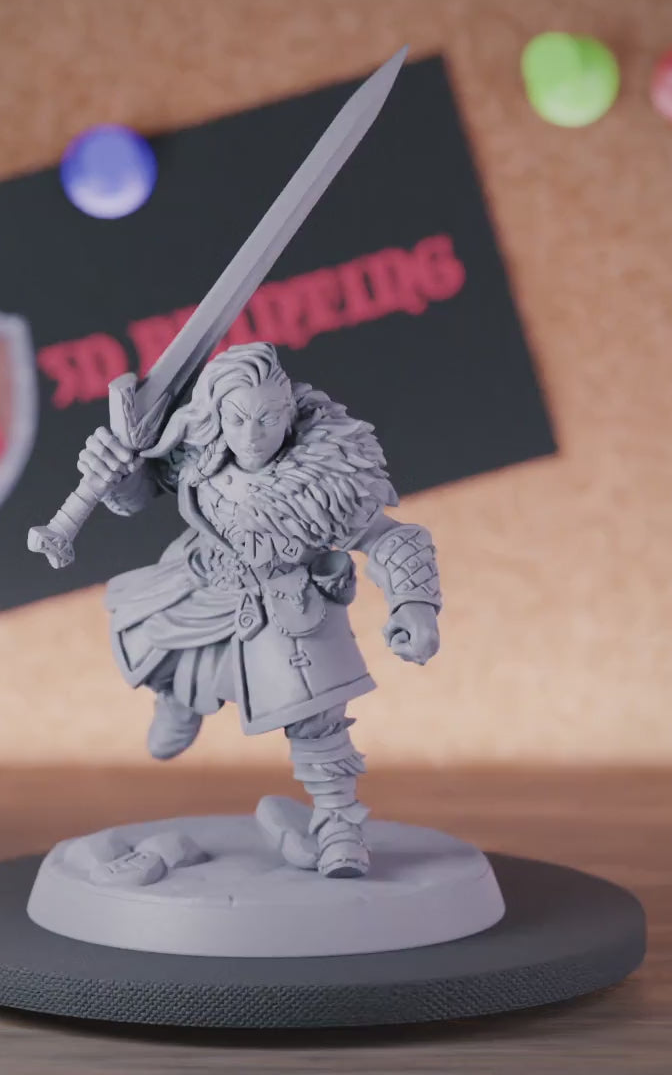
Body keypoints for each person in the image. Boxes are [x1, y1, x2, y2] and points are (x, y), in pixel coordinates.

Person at [80, 342, 441, 877]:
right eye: (238, 418)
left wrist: (414, 603)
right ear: (217, 415)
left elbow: (388, 536)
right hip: (205, 581)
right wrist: (116, 471)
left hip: (288, 601)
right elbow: (140, 491)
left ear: (289, 414)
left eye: (267, 419)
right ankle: (180, 698)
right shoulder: (200, 453)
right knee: (164, 647)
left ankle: (338, 825)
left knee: (317, 719)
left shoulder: (324, 476)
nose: (251, 435)